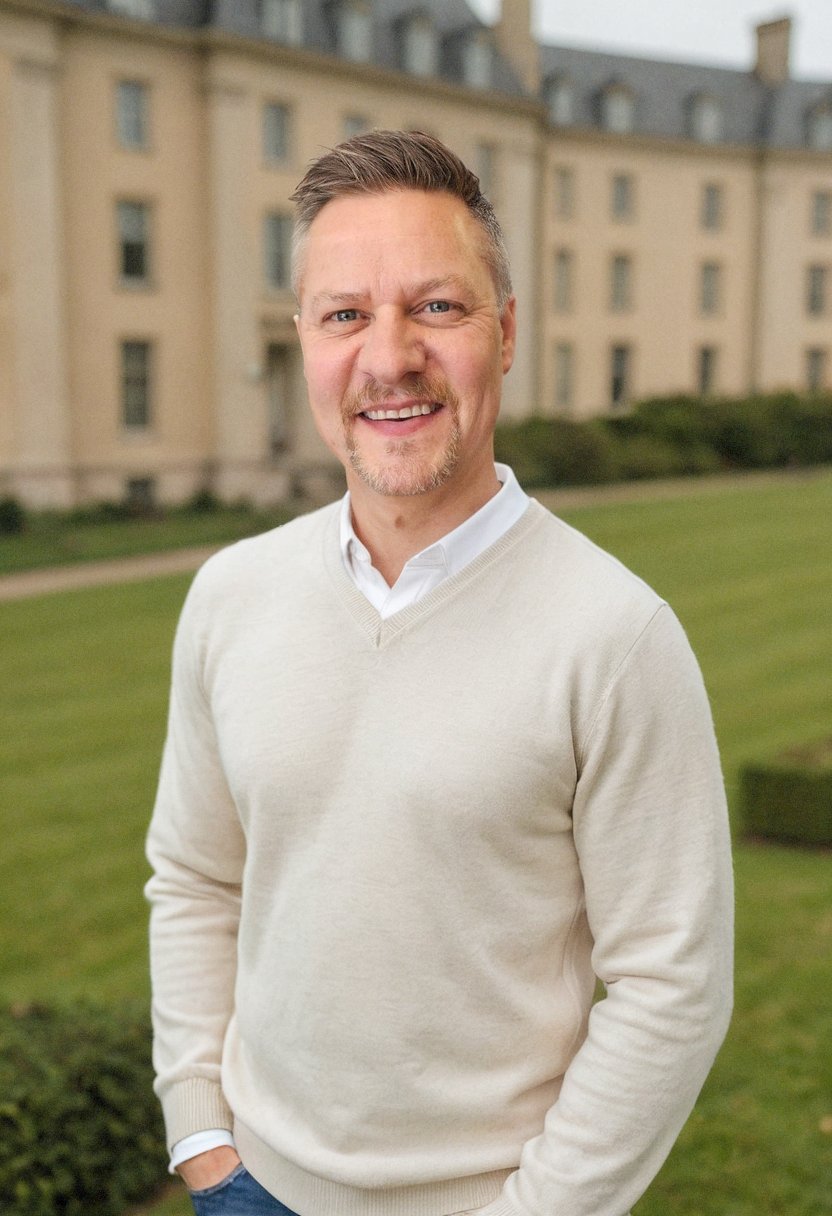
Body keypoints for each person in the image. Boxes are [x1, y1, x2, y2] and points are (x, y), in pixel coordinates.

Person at [146, 130, 734, 1216]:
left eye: (436, 306)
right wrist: (200, 1132)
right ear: (304, 339)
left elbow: (672, 985)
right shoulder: (230, 595)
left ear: (504, 334)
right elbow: (194, 878)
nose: (388, 358)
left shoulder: (616, 637)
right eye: (344, 315)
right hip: (248, 1186)